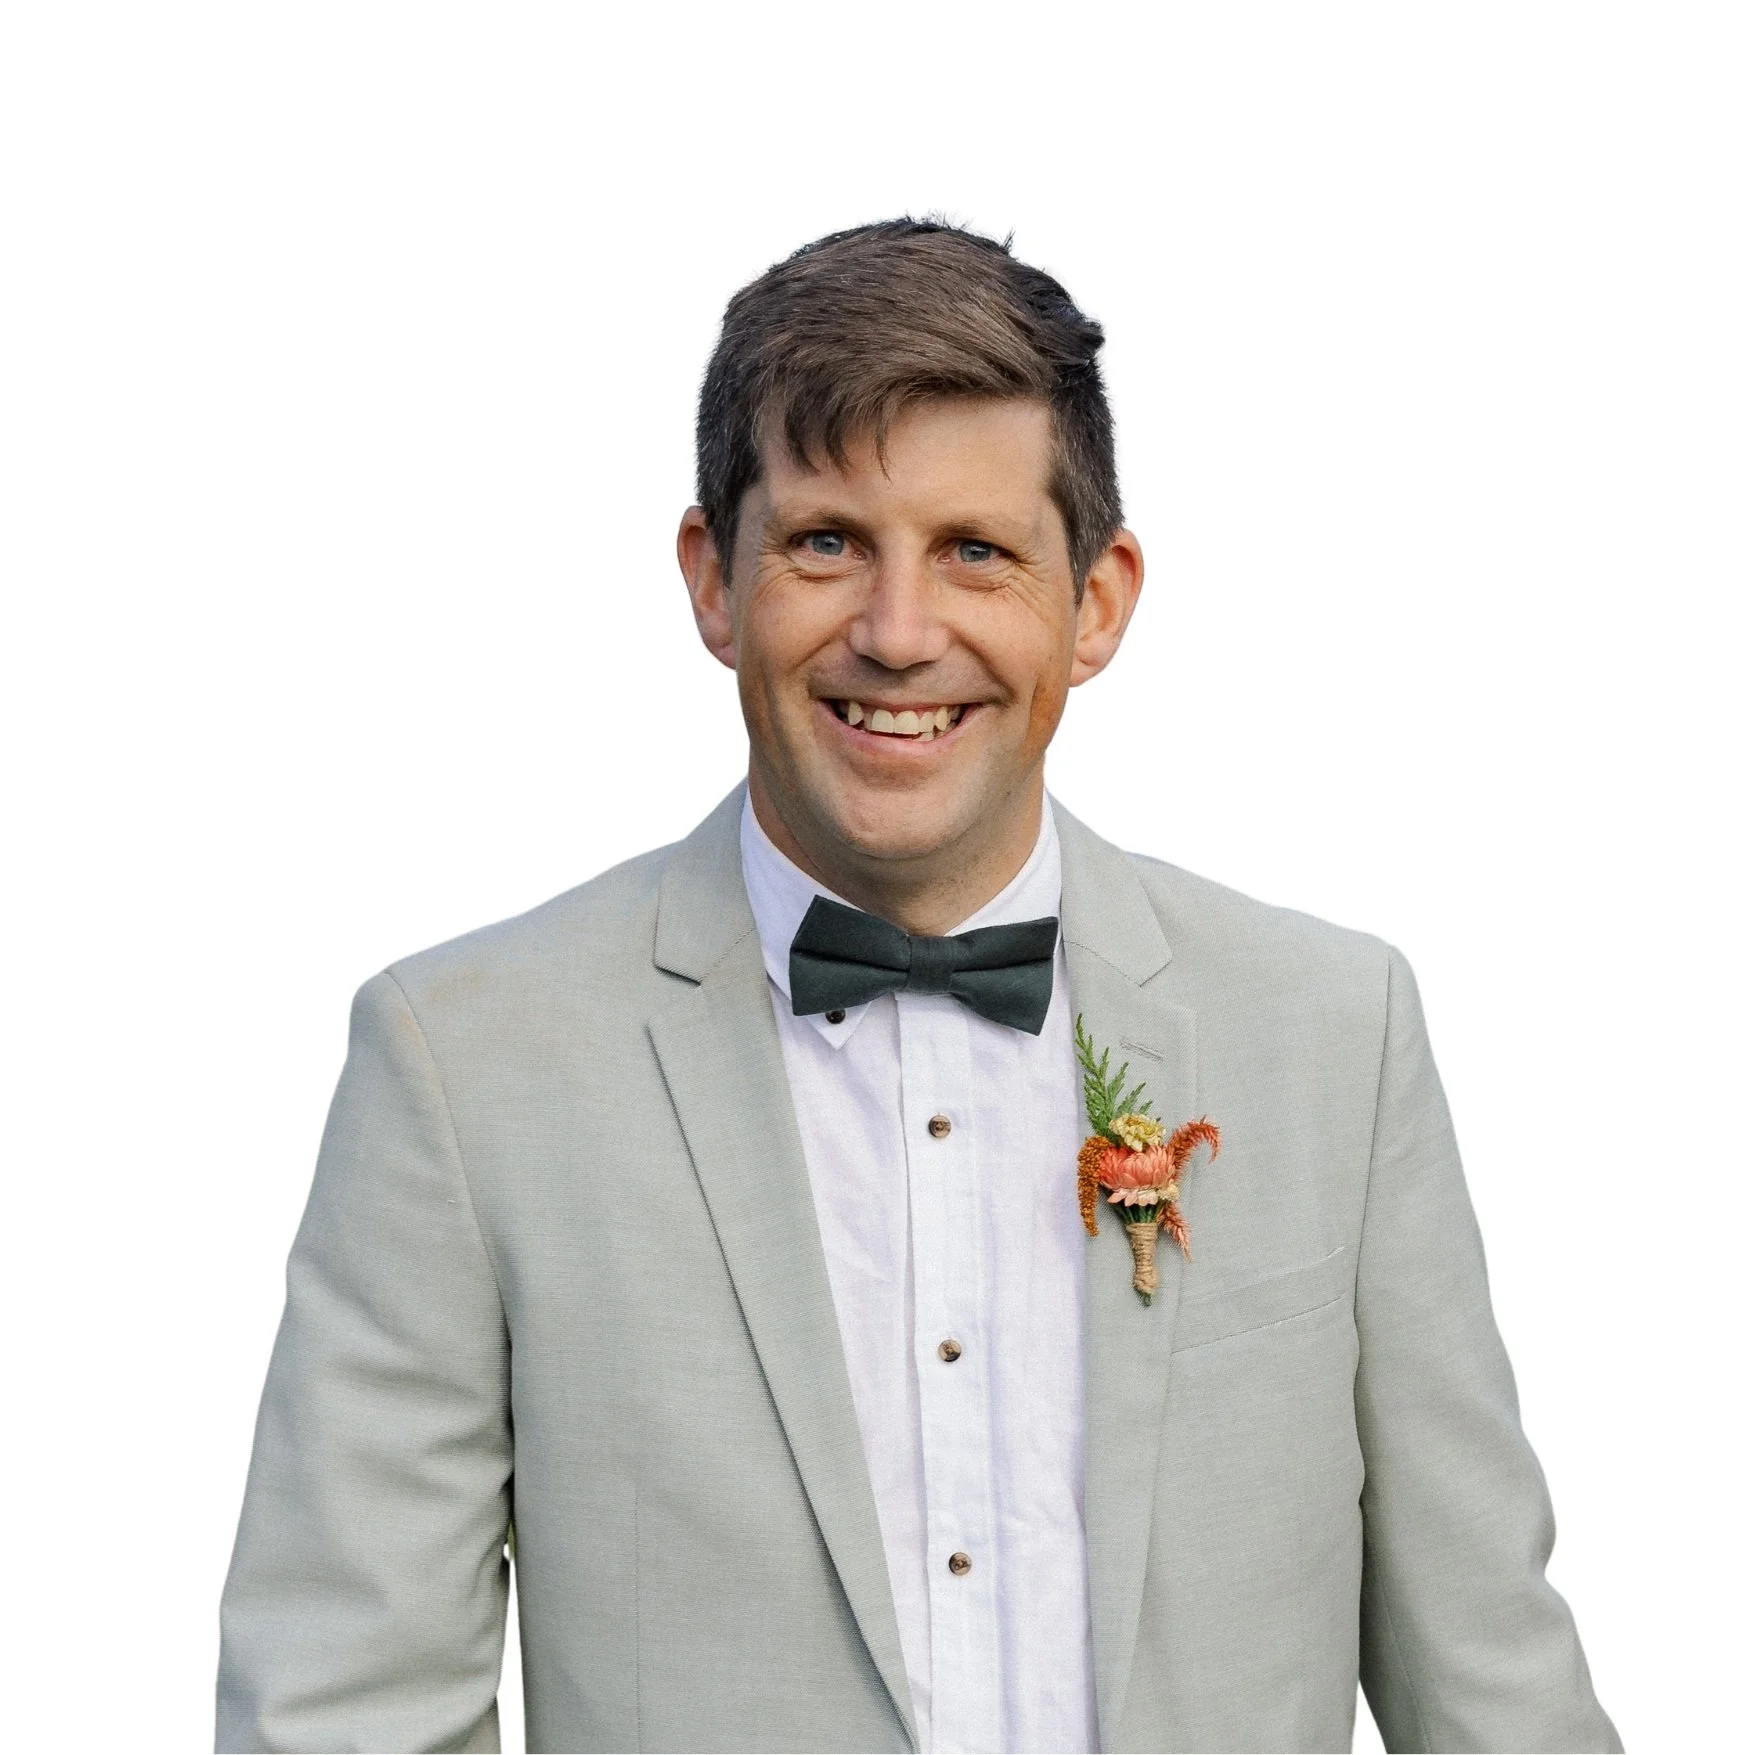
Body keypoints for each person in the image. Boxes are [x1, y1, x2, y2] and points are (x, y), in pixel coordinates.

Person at [217, 219, 1619, 1754]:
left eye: (975, 551)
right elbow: (342, 1717)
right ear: (712, 579)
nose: (897, 634)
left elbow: (1498, 1701)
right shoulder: (462, 1068)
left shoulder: (1333, 1037)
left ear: (1095, 599)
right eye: (826, 542)